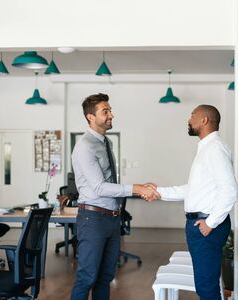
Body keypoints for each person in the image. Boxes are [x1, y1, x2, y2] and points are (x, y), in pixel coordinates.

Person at [70, 93, 159, 300]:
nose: (111, 115)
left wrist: (140, 186)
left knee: (105, 276)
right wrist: (136, 188)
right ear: (90, 117)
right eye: (105, 111)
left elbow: (109, 181)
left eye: (110, 110)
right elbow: (100, 188)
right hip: (93, 219)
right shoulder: (85, 146)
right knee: (87, 277)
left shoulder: (105, 142)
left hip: (111, 218)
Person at [155, 105, 238, 300]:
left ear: (204, 120)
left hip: (206, 225)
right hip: (202, 224)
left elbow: (230, 190)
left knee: (206, 286)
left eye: (192, 115)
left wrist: (210, 223)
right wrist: (158, 192)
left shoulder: (214, 148)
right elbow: (193, 189)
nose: (188, 119)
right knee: (206, 284)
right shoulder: (207, 148)